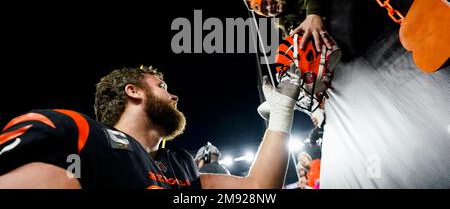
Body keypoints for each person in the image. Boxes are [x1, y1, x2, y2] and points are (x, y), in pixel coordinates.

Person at [0, 65, 301, 189]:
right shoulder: (79, 133)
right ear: (134, 91)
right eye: (162, 86)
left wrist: (281, 115)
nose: (174, 95)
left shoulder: (181, 166)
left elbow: (259, 188)